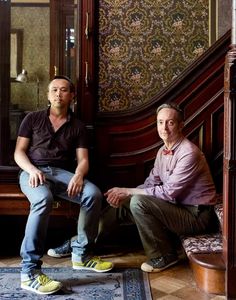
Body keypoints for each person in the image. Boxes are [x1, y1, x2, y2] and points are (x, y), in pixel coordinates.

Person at [48, 102, 218, 273]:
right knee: (126, 202)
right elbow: (151, 183)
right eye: (160, 122)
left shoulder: (189, 152)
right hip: (176, 207)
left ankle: (164, 256)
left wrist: (129, 191)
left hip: (196, 215)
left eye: (170, 122)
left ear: (181, 125)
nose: (164, 128)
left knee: (138, 202)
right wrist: (124, 194)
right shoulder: (162, 151)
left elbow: (168, 193)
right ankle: (80, 244)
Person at [14, 75, 113, 295]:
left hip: (62, 174)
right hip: (33, 172)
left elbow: (84, 159)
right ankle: (29, 271)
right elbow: (19, 152)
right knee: (43, 199)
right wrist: (32, 170)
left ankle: (81, 255)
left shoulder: (78, 126)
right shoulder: (32, 119)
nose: (59, 93)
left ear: (72, 96)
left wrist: (78, 175)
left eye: (64, 90)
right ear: (48, 95)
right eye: (54, 90)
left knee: (93, 194)